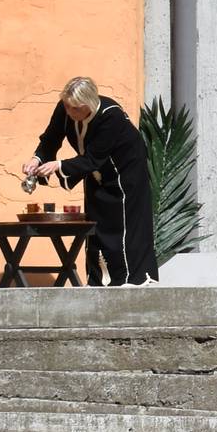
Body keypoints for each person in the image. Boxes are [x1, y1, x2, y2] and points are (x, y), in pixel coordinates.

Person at [25, 77, 158, 286]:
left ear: (86, 106)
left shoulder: (110, 115)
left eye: (73, 108)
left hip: (125, 176)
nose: (68, 112)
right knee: (96, 227)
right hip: (96, 173)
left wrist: (58, 166)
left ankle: (128, 281)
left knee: (123, 230)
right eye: (66, 106)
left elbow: (94, 157)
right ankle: (98, 281)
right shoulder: (66, 107)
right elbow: (51, 138)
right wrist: (38, 159)